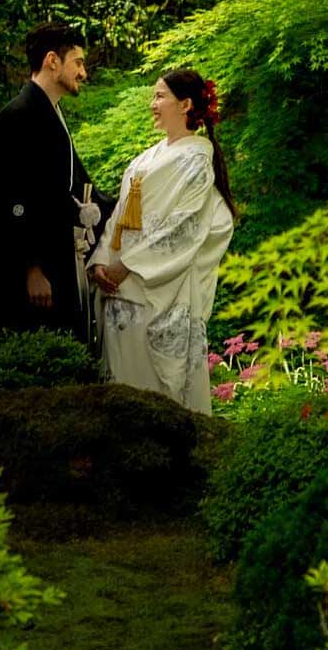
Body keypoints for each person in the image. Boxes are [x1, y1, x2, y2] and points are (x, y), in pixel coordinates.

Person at [85, 67, 237, 409]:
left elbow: (183, 229)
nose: (153, 104)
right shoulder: (146, 158)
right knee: (121, 391)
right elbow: (120, 218)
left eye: (159, 96)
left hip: (153, 288)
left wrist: (128, 265)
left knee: (156, 399)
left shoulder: (198, 161)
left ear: (185, 105)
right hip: (117, 288)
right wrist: (100, 262)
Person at [0, 22, 106, 338]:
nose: (83, 73)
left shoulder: (53, 114)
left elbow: (79, 186)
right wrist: (31, 269)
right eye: (78, 62)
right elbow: (10, 201)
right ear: (53, 61)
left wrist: (128, 207)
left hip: (57, 259)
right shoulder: (16, 116)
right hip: (31, 276)